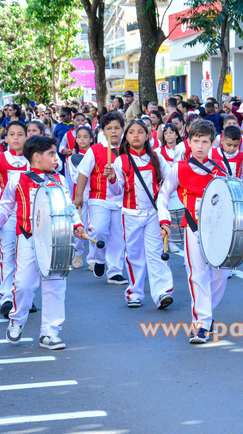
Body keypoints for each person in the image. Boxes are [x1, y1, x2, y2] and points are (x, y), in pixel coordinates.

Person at [0, 135, 85, 350]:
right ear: (37, 157)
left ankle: (50, 332)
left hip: (57, 239)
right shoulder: (17, 180)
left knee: (55, 285)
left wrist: (77, 225)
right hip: (28, 239)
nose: (56, 158)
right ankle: (17, 320)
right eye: (51, 154)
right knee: (23, 285)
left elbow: (68, 207)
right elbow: (4, 208)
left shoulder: (60, 180)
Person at [158, 119, 231, 343]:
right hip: (193, 226)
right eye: (196, 141)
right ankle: (201, 324)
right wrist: (164, 219)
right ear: (188, 142)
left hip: (218, 229)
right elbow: (163, 194)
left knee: (221, 274)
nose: (200, 146)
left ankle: (206, 313)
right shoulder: (179, 168)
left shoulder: (219, 169)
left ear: (212, 144)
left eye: (205, 142)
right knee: (197, 274)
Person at [106, 119, 174, 309]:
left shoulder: (157, 158)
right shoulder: (120, 161)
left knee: (156, 253)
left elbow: (170, 181)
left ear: (148, 136)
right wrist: (111, 179)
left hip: (153, 213)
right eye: (131, 132)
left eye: (140, 132)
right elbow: (117, 191)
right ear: (126, 137)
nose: (136, 135)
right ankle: (134, 292)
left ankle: (162, 293)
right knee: (134, 254)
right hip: (130, 214)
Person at [74, 111, 127, 285]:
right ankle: (99, 258)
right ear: (103, 131)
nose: (113, 132)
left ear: (122, 129)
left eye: (117, 128)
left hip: (122, 201)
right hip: (98, 198)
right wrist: (79, 195)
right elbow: (83, 172)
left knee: (118, 237)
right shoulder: (95, 150)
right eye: (109, 128)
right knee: (98, 231)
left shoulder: (127, 151)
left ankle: (115, 272)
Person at [0, 121, 30, 317]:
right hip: (8, 215)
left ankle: (24, 295)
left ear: (26, 137)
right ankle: (6, 297)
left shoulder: (33, 159)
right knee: (8, 255)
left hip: (30, 215)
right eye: (11, 134)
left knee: (28, 257)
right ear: (5, 138)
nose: (15, 138)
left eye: (20, 134)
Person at [66, 125, 94, 270]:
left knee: (93, 227)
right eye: (79, 137)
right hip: (80, 195)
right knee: (80, 224)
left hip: (95, 194)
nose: (82, 140)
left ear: (91, 139)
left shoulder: (96, 154)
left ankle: (93, 258)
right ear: (76, 140)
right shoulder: (72, 159)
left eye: (85, 137)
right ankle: (77, 252)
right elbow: (75, 178)